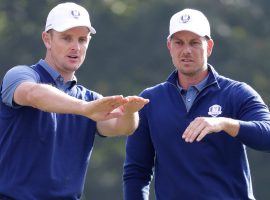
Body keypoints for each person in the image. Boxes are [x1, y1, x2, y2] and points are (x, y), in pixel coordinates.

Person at [0, 2, 149, 199]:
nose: (75, 47)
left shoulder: (90, 100)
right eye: (66, 38)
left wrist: (130, 112)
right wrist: (84, 109)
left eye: (82, 39)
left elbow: (121, 127)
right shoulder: (20, 75)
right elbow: (33, 95)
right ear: (47, 39)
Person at [123, 8, 270, 200]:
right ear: (169, 46)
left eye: (194, 43)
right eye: (179, 43)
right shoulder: (150, 100)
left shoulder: (236, 93)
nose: (186, 51)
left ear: (209, 46)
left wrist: (225, 124)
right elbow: (136, 172)